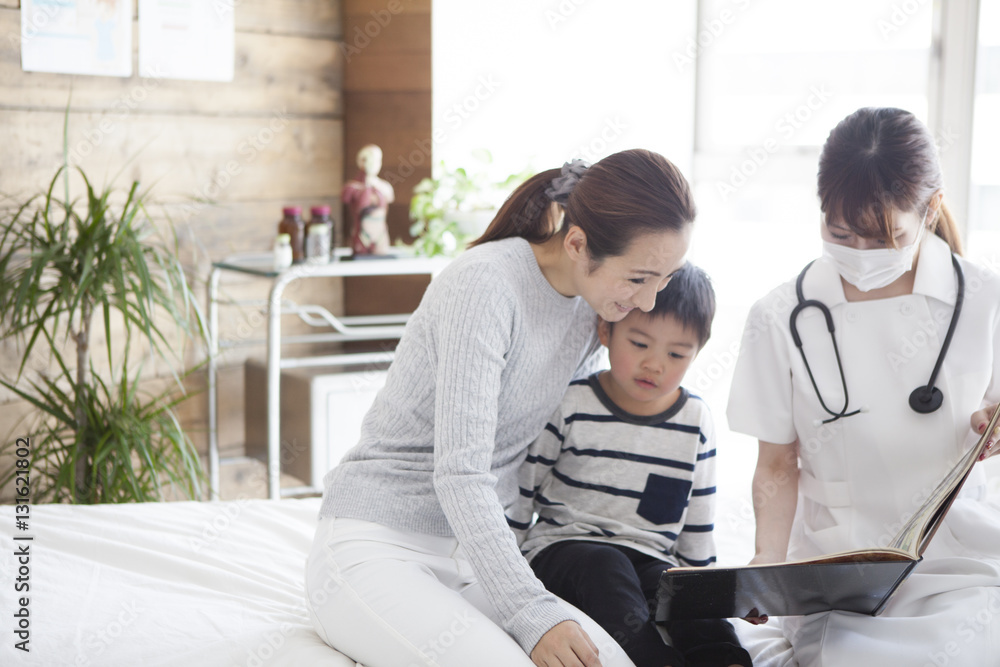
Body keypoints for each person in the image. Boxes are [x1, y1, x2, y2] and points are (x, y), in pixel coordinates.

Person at [306, 149, 697, 667]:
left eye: (665, 278)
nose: (649, 302)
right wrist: (532, 612)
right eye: (639, 278)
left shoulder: (593, 309)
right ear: (577, 243)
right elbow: (462, 473)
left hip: (478, 559)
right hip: (378, 545)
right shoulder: (486, 285)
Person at [727, 107, 1000, 665]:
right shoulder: (779, 316)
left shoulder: (986, 301)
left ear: (934, 208)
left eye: (887, 237)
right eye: (841, 232)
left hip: (965, 563)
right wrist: (764, 560)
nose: (861, 255)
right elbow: (778, 464)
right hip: (841, 575)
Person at [508, 264, 753, 667]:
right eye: (639, 344)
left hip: (648, 558)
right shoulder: (572, 403)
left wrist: (717, 596)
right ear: (606, 332)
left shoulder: (695, 421)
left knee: (684, 593)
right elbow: (521, 495)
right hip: (565, 551)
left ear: (697, 353)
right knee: (608, 565)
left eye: (676, 354)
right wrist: (509, 579)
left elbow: (696, 534)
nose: (654, 365)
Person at [341, 144, 394, 255]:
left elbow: (390, 196)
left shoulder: (384, 187)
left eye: (376, 160)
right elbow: (346, 198)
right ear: (360, 161)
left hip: (380, 236)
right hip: (361, 236)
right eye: (367, 159)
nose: (372, 164)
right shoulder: (352, 187)